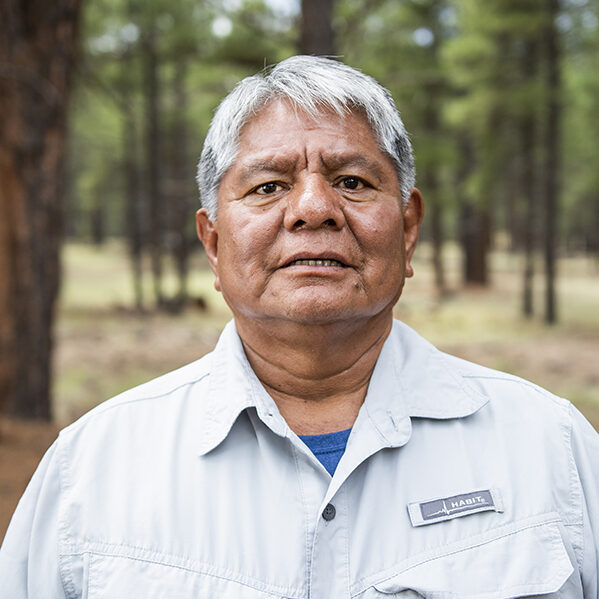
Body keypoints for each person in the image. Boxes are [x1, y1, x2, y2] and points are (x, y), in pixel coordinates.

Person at [1, 55, 598, 598]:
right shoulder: (93, 468)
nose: (314, 208)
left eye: (352, 182)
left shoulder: (552, 449)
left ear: (408, 229)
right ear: (213, 243)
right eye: (268, 186)